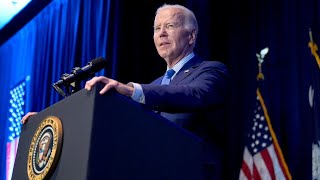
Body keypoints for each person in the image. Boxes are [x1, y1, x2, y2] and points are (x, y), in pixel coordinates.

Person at [21, 4, 230, 179]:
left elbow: (194, 95)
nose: (161, 33)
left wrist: (131, 90)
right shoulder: (155, 84)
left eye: (170, 26)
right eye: (157, 28)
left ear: (191, 36)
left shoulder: (211, 71)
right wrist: (45, 122)